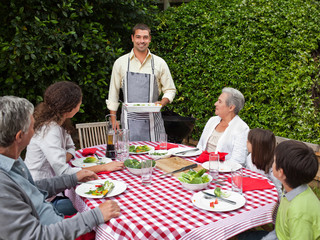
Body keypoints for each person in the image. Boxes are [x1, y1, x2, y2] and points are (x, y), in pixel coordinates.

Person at [0, 96, 120, 239]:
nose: (36, 129)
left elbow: (33, 189)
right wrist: (95, 215)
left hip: (56, 219)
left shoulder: (11, 159)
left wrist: (72, 178)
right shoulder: (3, 186)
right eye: (33, 126)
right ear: (19, 136)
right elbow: (36, 236)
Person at [24, 81, 124, 215]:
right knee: (107, 205)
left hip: (55, 190)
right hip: (42, 199)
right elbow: (64, 172)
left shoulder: (60, 122)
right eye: (79, 101)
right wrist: (104, 167)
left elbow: (71, 147)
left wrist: (62, 157)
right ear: (70, 107)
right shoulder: (50, 130)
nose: (80, 104)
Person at [106, 23, 176, 141]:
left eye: (145, 37)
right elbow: (113, 93)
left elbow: (170, 89)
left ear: (149, 39)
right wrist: (113, 118)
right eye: (138, 37)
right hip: (129, 122)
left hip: (154, 122)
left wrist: (162, 102)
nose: (141, 41)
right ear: (132, 38)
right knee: (130, 157)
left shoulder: (159, 63)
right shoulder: (120, 63)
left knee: (157, 157)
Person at [239, 140, 320, 240]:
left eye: (274, 160)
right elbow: (280, 230)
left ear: (280, 172)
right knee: (241, 235)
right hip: (278, 235)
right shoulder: (292, 191)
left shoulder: (299, 214)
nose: (272, 163)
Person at [197, 87, 249, 165]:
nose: (215, 104)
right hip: (201, 164)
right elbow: (200, 147)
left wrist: (215, 167)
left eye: (220, 102)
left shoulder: (242, 128)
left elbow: (238, 161)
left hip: (222, 171)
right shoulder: (212, 120)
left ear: (231, 107)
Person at [246, 128, 282, 196]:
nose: (246, 141)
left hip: (267, 197)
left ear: (257, 147)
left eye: (249, 141)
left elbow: (278, 191)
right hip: (252, 192)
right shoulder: (250, 157)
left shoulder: (273, 168)